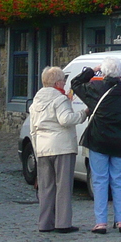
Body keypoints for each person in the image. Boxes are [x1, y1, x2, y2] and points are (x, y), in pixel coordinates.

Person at [71, 57, 121, 234]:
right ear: (120, 73)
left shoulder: (95, 88)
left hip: (98, 141)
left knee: (99, 180)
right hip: (119, 142)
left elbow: (75, 83)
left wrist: (92, 70)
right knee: (119, 180)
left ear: (103, 73)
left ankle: (101, 222)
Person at [30, 66, 84, 233]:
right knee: (63, 186)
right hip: (61, 147)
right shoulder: (59, 99)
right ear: (58, 82)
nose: (65, 83)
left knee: (46, 187)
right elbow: (66, 119)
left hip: (43, 148)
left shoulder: (36, 101)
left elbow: (33, 130)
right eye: (63, 80)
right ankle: (63, 223)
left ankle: (45, 223)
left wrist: (37, 149)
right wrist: (83, 113)